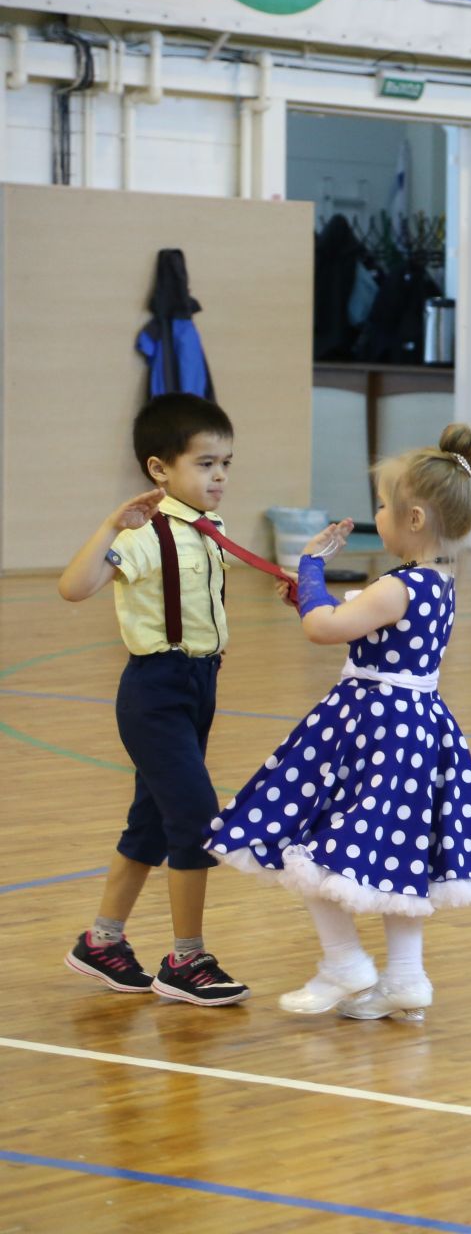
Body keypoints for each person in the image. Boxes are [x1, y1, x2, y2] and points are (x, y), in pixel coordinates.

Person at [206, 425, 471, 1022]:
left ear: (412, 518)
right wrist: (317, 598)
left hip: (372, 726)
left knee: (305, 835)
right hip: (416, 728)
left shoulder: (395, 585)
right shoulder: (440, 584)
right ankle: (405, 978)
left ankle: (344, 962)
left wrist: (308, 569)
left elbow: (322, 629)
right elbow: (341, 620)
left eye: (382, 505)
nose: (375, 514)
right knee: (397, 853)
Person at [57, 394, 252, 1006]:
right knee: (195, 818)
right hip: (155, 691)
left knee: (150, 820)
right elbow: (74, 587)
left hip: (200, 687)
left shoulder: (212, 531)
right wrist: (113, 526)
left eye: (225, 463)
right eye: (204, 463)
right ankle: (186, 959)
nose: (218, 476)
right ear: (159, 469)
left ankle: (102, 942)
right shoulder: (144, 535)